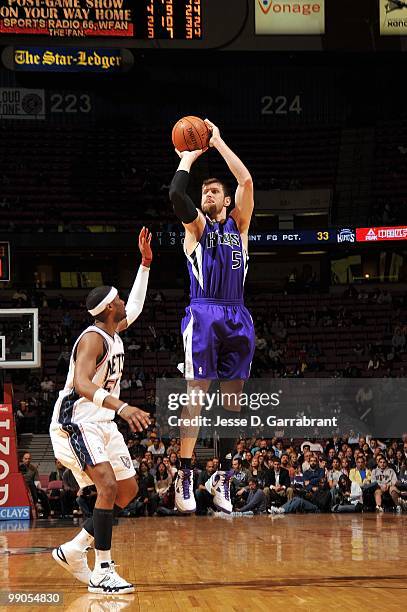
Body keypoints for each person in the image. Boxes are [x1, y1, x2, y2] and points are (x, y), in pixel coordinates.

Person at [49, 228, 153, 594]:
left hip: (102, 422)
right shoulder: (93, 338)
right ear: (110, 307)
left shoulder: (113, 330)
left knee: (126, 491)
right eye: (119, 299)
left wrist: (144, 264)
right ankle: (103, 569)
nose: (124, 302)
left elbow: (137, 307)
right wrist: (123, 406)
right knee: (106, 486)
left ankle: (74, 549)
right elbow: (81, 383)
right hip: (76, 420)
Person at [169, 119, 255, 514]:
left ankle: (220, 475)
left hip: (238, 313)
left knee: (234, 404)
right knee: (197, 399)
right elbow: (175, 193)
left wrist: (217, 142)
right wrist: (188, 159)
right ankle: (185, 471)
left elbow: (248, 182)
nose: (208, 193)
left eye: (214, 190)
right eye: (205, 190)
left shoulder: (239, 226)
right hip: (204, 313)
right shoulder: (197, 229)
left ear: (226, 199)